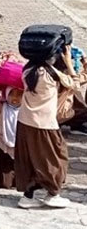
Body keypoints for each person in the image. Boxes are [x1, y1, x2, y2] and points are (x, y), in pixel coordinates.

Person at [15, 47, 75, 209]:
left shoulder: (27, 70)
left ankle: (28, 196)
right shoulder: (50, 73)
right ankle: (53, 194)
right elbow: (73, 83)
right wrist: (69, 61)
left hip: (25, 121)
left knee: (30, 159)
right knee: (55, 158)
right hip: (45, 124)